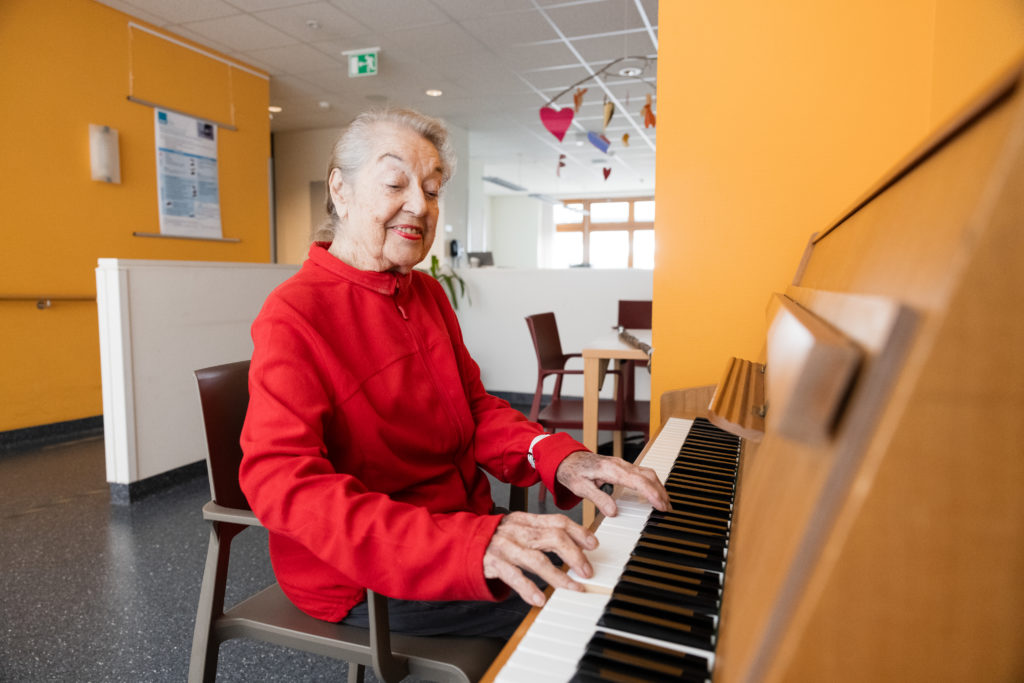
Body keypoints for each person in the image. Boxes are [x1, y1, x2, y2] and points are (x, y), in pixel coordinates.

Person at [239, 107, 669, 639]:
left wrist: (559, 456)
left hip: (463, 526)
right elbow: (283, 484)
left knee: (615, 580)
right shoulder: (294, 314)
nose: (419, 205)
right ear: (341, 191)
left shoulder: (425, 293)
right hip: (367, 571)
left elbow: (474, 407)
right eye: (396, 182)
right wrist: (470, 544)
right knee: (597, 613)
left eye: (433, 188)